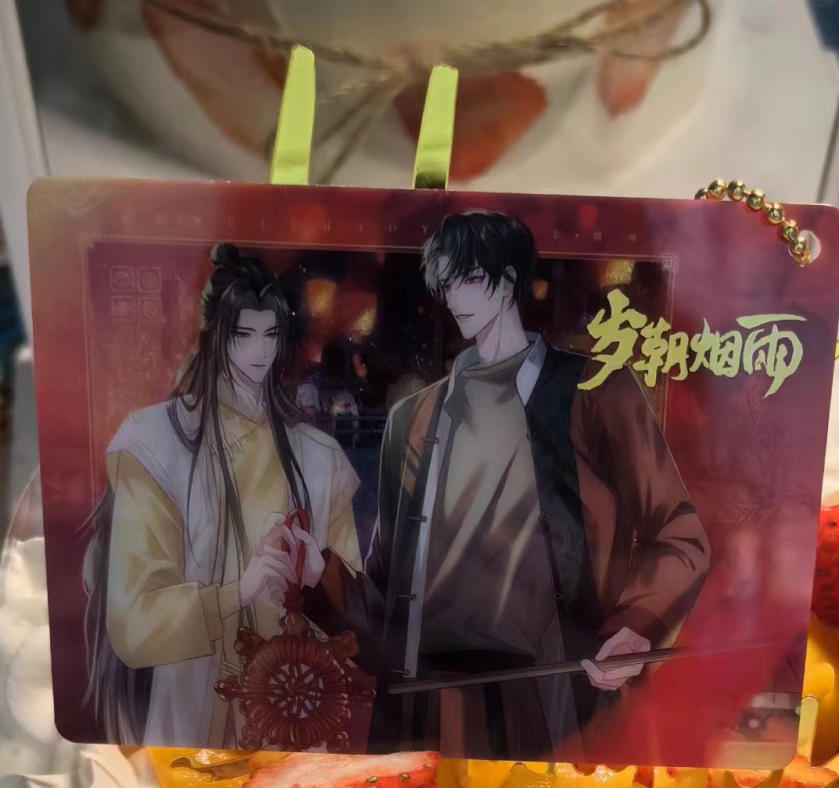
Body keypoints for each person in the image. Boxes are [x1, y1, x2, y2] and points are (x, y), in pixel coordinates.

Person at [355, 209, 711, 758]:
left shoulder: (597, 392)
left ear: (508, 281)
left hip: (551, 698)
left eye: (471, 279)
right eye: (447, 283)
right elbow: (385, 580)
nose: (456, 298)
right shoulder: (413, 418)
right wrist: (316, 579)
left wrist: (636, 625)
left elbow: (679, 534)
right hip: (428, 704)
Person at [83, 244, 361, 745]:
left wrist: (320, 577)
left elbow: (359, 629)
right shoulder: (155, 443)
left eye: (270, 335)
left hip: (296, 719)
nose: (260, 352)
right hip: (191, 716)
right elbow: (134, 621)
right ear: (214, 334)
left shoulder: (320, 458)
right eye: (243, 334)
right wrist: (236, 593)